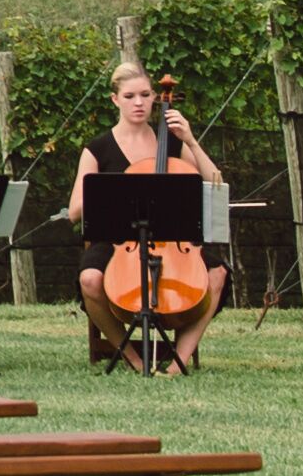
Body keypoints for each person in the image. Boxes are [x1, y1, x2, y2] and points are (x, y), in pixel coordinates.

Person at [72, 59, 226, 371]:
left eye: (145, 94)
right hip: (119, 242)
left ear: (156, 97)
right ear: (115, 99)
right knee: (90, 279)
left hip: (173, 240)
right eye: (129, 96)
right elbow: (75, 211)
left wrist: (191, 141)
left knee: (217, 273)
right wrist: (109, 193)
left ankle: (177, 362)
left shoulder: (170, 143)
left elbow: (215, 183)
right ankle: (132, 358)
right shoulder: (98, 148)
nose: (139, 103)